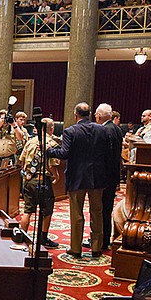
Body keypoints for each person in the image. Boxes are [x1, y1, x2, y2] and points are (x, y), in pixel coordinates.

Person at [47, 102, 107, 258]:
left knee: (77, 214)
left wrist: (49, 151)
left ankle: (76, 248)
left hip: (77, 177)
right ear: (90, 114)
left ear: (76, 115)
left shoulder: (70, 131)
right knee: (97, 212)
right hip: (97, 176)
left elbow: (64, 153)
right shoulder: (102, 130)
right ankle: (96, 248)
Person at [18, 118, 60, 249]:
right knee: (47, 211)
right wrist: (56, 176)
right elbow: (52, 164)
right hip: (43, 181)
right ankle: (43, 238)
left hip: (29, 180)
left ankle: (22, 236)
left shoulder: (30, 142)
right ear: (51, 129)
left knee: (27, 210)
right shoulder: (52, 143)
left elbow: (22, 162)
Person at [95, 103, 124, 249]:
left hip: (103, 177)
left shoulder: (103, 130)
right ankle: (105, 239)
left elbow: (101, 157)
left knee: (100, 210)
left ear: (99, 116)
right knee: (107, 209)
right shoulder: (117, 129)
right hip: (112, 176)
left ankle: (100, 240)